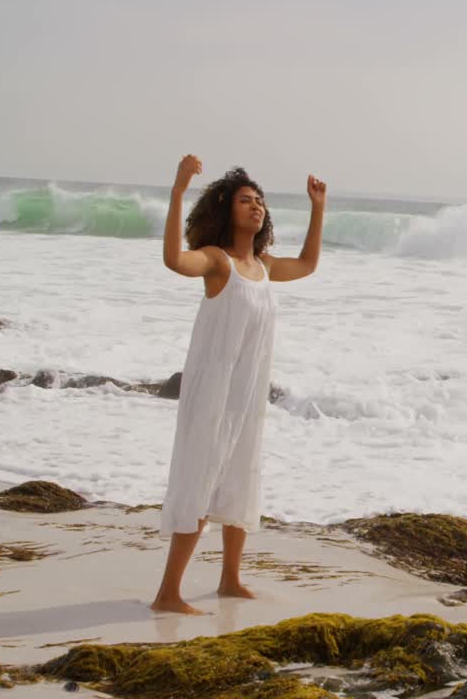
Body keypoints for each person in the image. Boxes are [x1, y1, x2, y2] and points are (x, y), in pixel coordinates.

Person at [151, 155, 326, 614]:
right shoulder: (217, 262)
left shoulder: (263, 267)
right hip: (212, 392)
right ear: (226, 210)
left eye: (260, 201)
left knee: (240, 479)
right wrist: (177, 191)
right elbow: (173, 260)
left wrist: (318, 208)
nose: (256, 207)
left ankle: (230, 578)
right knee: (200, 482)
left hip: (248, 395)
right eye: (246, 200)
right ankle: (168, 593)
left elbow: (308, 264)